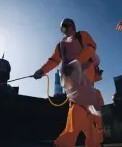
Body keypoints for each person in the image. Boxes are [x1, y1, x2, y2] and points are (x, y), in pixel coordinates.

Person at [33, 18, 101, 147]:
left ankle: (63, 144)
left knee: (77, 110)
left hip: (84, 80)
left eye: (66, 27)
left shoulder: (83, 35)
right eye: (62, 28)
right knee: (85, 115)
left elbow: (90, 48)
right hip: (72, 83)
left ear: (73, 26)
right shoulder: (61, 45)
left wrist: (76, 63)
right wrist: (42, 70)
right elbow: (54, 60)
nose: (64, 30)